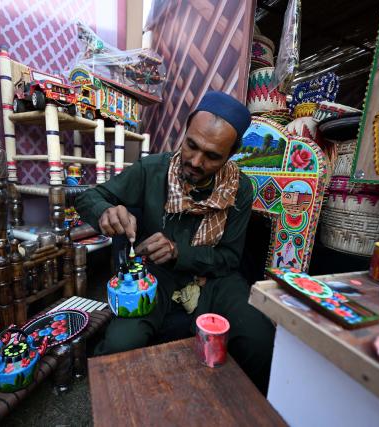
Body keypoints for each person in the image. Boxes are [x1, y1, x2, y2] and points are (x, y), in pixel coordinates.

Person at [75, 91, 274, 392]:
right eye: (191, 145)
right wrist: (105, 211)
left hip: (214, 278)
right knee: (119, 344)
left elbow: (230, 258)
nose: (195, 161)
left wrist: (178, 251)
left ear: (231, 154)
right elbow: (90, 196)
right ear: (185, 131)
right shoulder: (151, 170)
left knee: (260, 341)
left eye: (212, 156)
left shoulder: (240, 189)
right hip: (156, 275)